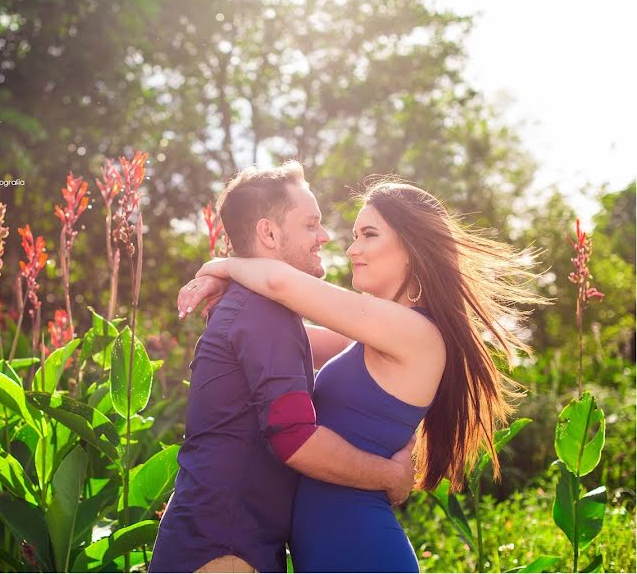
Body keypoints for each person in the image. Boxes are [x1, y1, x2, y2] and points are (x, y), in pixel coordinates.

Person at [179, 175, 545, 572]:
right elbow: (285, 337)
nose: (352, 249)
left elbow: (278, 281)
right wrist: (232, 298)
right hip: (329, 546)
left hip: (359, 546)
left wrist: (219, 266)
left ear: (411, 247)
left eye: (369, 234)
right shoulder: (379, 338)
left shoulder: (414, 332)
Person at [149, 162, 417, 574]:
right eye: (311, 224)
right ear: (269, 234)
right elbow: (295, 440)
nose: (325, 237)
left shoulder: (261, 313)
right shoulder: (263, 314)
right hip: (224, 554)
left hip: (224, 545)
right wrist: (391, 476)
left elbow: (355, 347)